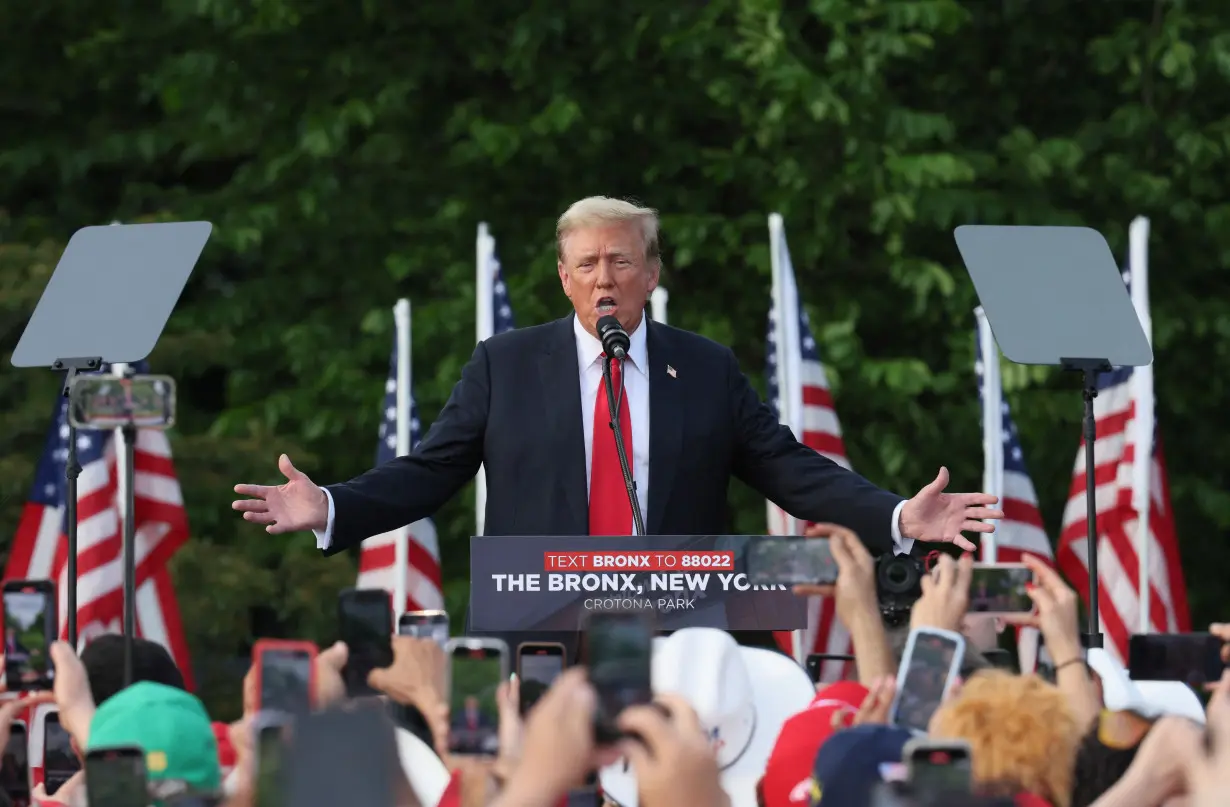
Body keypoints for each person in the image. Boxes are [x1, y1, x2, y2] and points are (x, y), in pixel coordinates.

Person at [232, 197, 1004, 655]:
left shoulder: (702, 367)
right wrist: (330, 504)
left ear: (653, 273)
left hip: (683, 632)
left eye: (623, 262)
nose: (606, 278)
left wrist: (899, 515)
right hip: (544, 631)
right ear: (564, 277)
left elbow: (789, 467)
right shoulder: (505, 364)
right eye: (590, 264)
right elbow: (430, 470)